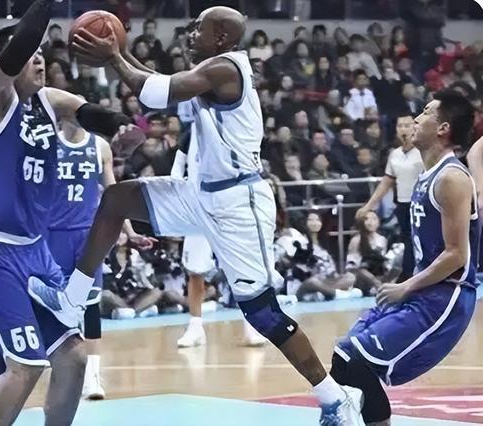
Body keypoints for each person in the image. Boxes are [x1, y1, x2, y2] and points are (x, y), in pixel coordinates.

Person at [53, 6, 363, 424]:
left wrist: (113, 57)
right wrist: (120, 56)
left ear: (221, 38)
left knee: (263, 314)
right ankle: (73, 297)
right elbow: (162, 85)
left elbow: (156, 93)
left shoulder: (225, 68)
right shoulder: (210, 72)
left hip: (238, 204)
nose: (190, 32)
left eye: (199, 27)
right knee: (117, 199)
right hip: (200, 194)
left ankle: (335, 398)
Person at [0, 2, 134, 424]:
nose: (40, 61)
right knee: (25, 366)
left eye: (42, 56)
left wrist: (122, 128)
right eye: (31, 55)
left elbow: (88, 112)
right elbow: (19, 47)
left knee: (73, 355)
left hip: (34, 249)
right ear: (6, 61)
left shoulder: (48, 102)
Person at [331, 90, 478, 425]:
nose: (415, 118)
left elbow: (457, 255)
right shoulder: (426, 175)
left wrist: (405, 286)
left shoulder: (452, 178)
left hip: (445, 297)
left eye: (425, 112)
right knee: (344, 356)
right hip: (423, 289)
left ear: (442, 128)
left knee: (354, 360)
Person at [46, 118, 153, 400]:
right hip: (53, 234)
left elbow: (112, 193)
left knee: (90, 305)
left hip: (87, 234)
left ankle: (92, 376)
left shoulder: (99, 147)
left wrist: (130, 232)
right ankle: (62, 370)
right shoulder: (49, 143)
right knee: (58, 307)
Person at [172, 126, 266, 349]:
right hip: (198, 209)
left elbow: (252, 168)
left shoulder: (234, 129)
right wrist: (180, 197)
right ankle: (195, 327)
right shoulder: (190, 133)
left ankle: (251, 325)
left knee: (242, 269)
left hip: (230, 207)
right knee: (195, 271)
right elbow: (177, 170)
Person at [356, 115, 424, 281]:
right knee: (408, 240)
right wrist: (369, 206)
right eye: (400, 126)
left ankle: (413, 275)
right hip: (403, 203)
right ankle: (409, 276)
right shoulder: (395, 154)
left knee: (422, 240)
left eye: (407, 125)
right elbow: (387, 181)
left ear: (415, 127)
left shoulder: (422, 151)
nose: (403, 129)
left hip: (422, 202)